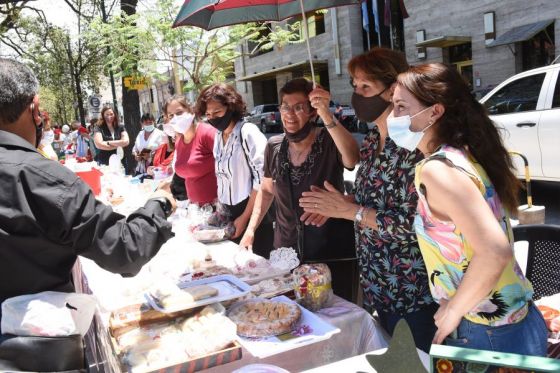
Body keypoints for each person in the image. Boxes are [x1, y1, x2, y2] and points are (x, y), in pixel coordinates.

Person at [0, 58, 176, 330]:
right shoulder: (39, 177)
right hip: (30, 347)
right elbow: (124, 249)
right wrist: (159, 203)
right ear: (35, 109)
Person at [391, 62, 547, 356]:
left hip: (487, 332)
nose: (393, 117)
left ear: (435, 111)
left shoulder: (437, 170)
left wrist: (453, 312)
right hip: (509, 326)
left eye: (400, 106)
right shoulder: (463, 155)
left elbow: (494, 251)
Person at [298, 48, 437, 352]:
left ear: (392, 91)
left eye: (366, 87)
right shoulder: (374, 139)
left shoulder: (417, 145)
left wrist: (352, 211)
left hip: (411, 289)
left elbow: (417, 223)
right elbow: (376, 197)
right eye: (354, 85)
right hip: (377, 284)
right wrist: (338, 206)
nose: (357, 94)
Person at [240, 78, 360, 299]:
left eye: (299, 108)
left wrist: (326, 114)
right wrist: (250, 230)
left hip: (327, 253)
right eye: (285, 107)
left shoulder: (329, 141)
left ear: (312, 112)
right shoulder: (274, 146)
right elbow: (266, 191)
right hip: (285, 251)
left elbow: (352, 157)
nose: (290, 114)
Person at [195, 84, 272, 256]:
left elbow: (263, 182)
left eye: (217, 112)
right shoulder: (218, 136)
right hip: (230, 217)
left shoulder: (248, 132)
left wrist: (245, 219)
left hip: (253, 215)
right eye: (208, 114)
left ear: (230, 107)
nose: (212, 118)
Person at [167, 95, 217, 205]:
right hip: (196, 208)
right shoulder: (179, 142)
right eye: (171, 116)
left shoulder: (207, 133)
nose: (175, 118)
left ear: (191, 111)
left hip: (218, 207)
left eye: (179, 113)